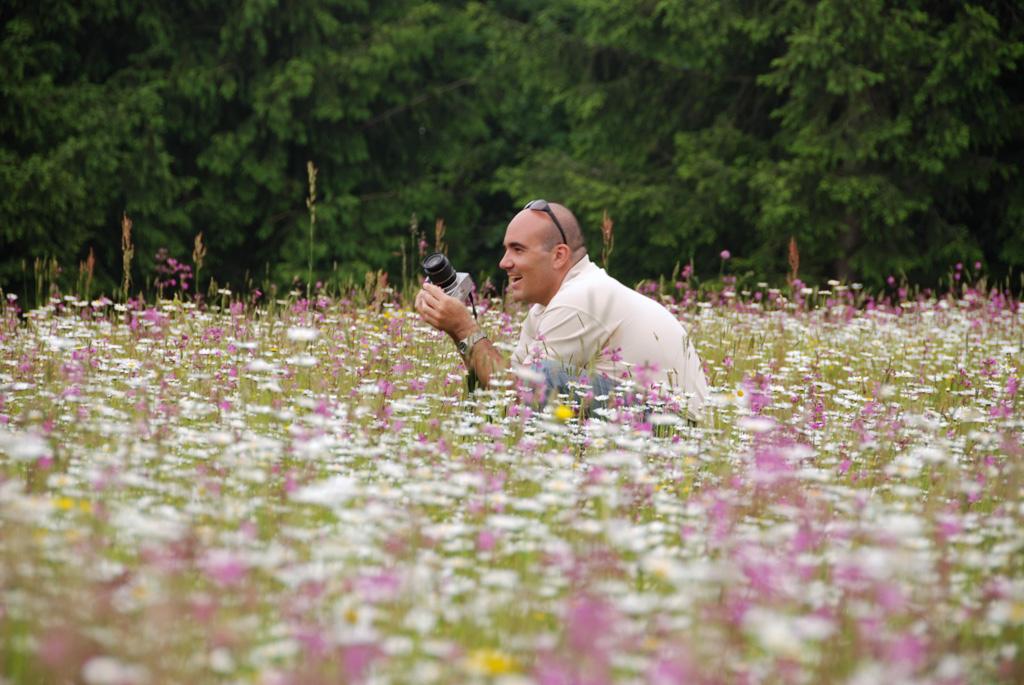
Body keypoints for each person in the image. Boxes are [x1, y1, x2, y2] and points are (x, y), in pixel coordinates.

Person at [414, 200, 709, 421]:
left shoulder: (581, 297)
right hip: (644, 415)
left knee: (544, 376)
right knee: (507, 384)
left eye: (518, 249)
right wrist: (457, 332)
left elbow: (516, 394)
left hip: (674, 428)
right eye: (505, 250)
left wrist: (465, 327)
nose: (504, 262)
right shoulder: (545, 309)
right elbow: (501, 388)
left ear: (558, 256)